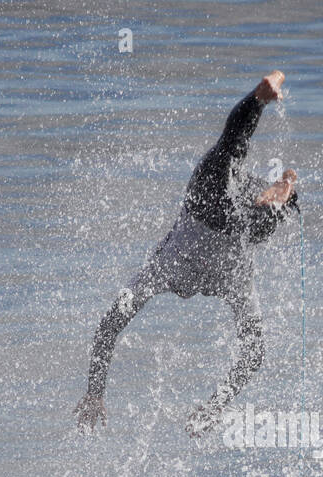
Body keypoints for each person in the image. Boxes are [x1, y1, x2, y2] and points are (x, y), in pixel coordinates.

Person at [75, 71, 300, 437]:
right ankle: (285, 181)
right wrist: (215, 405)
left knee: (228, 154)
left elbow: (109, 326)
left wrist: (94, 393)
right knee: (238, 171)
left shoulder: (164, 268)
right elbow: (253, 354)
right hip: (242, 211)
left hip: (208, 208)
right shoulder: (235, 283)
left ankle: (263, 113)